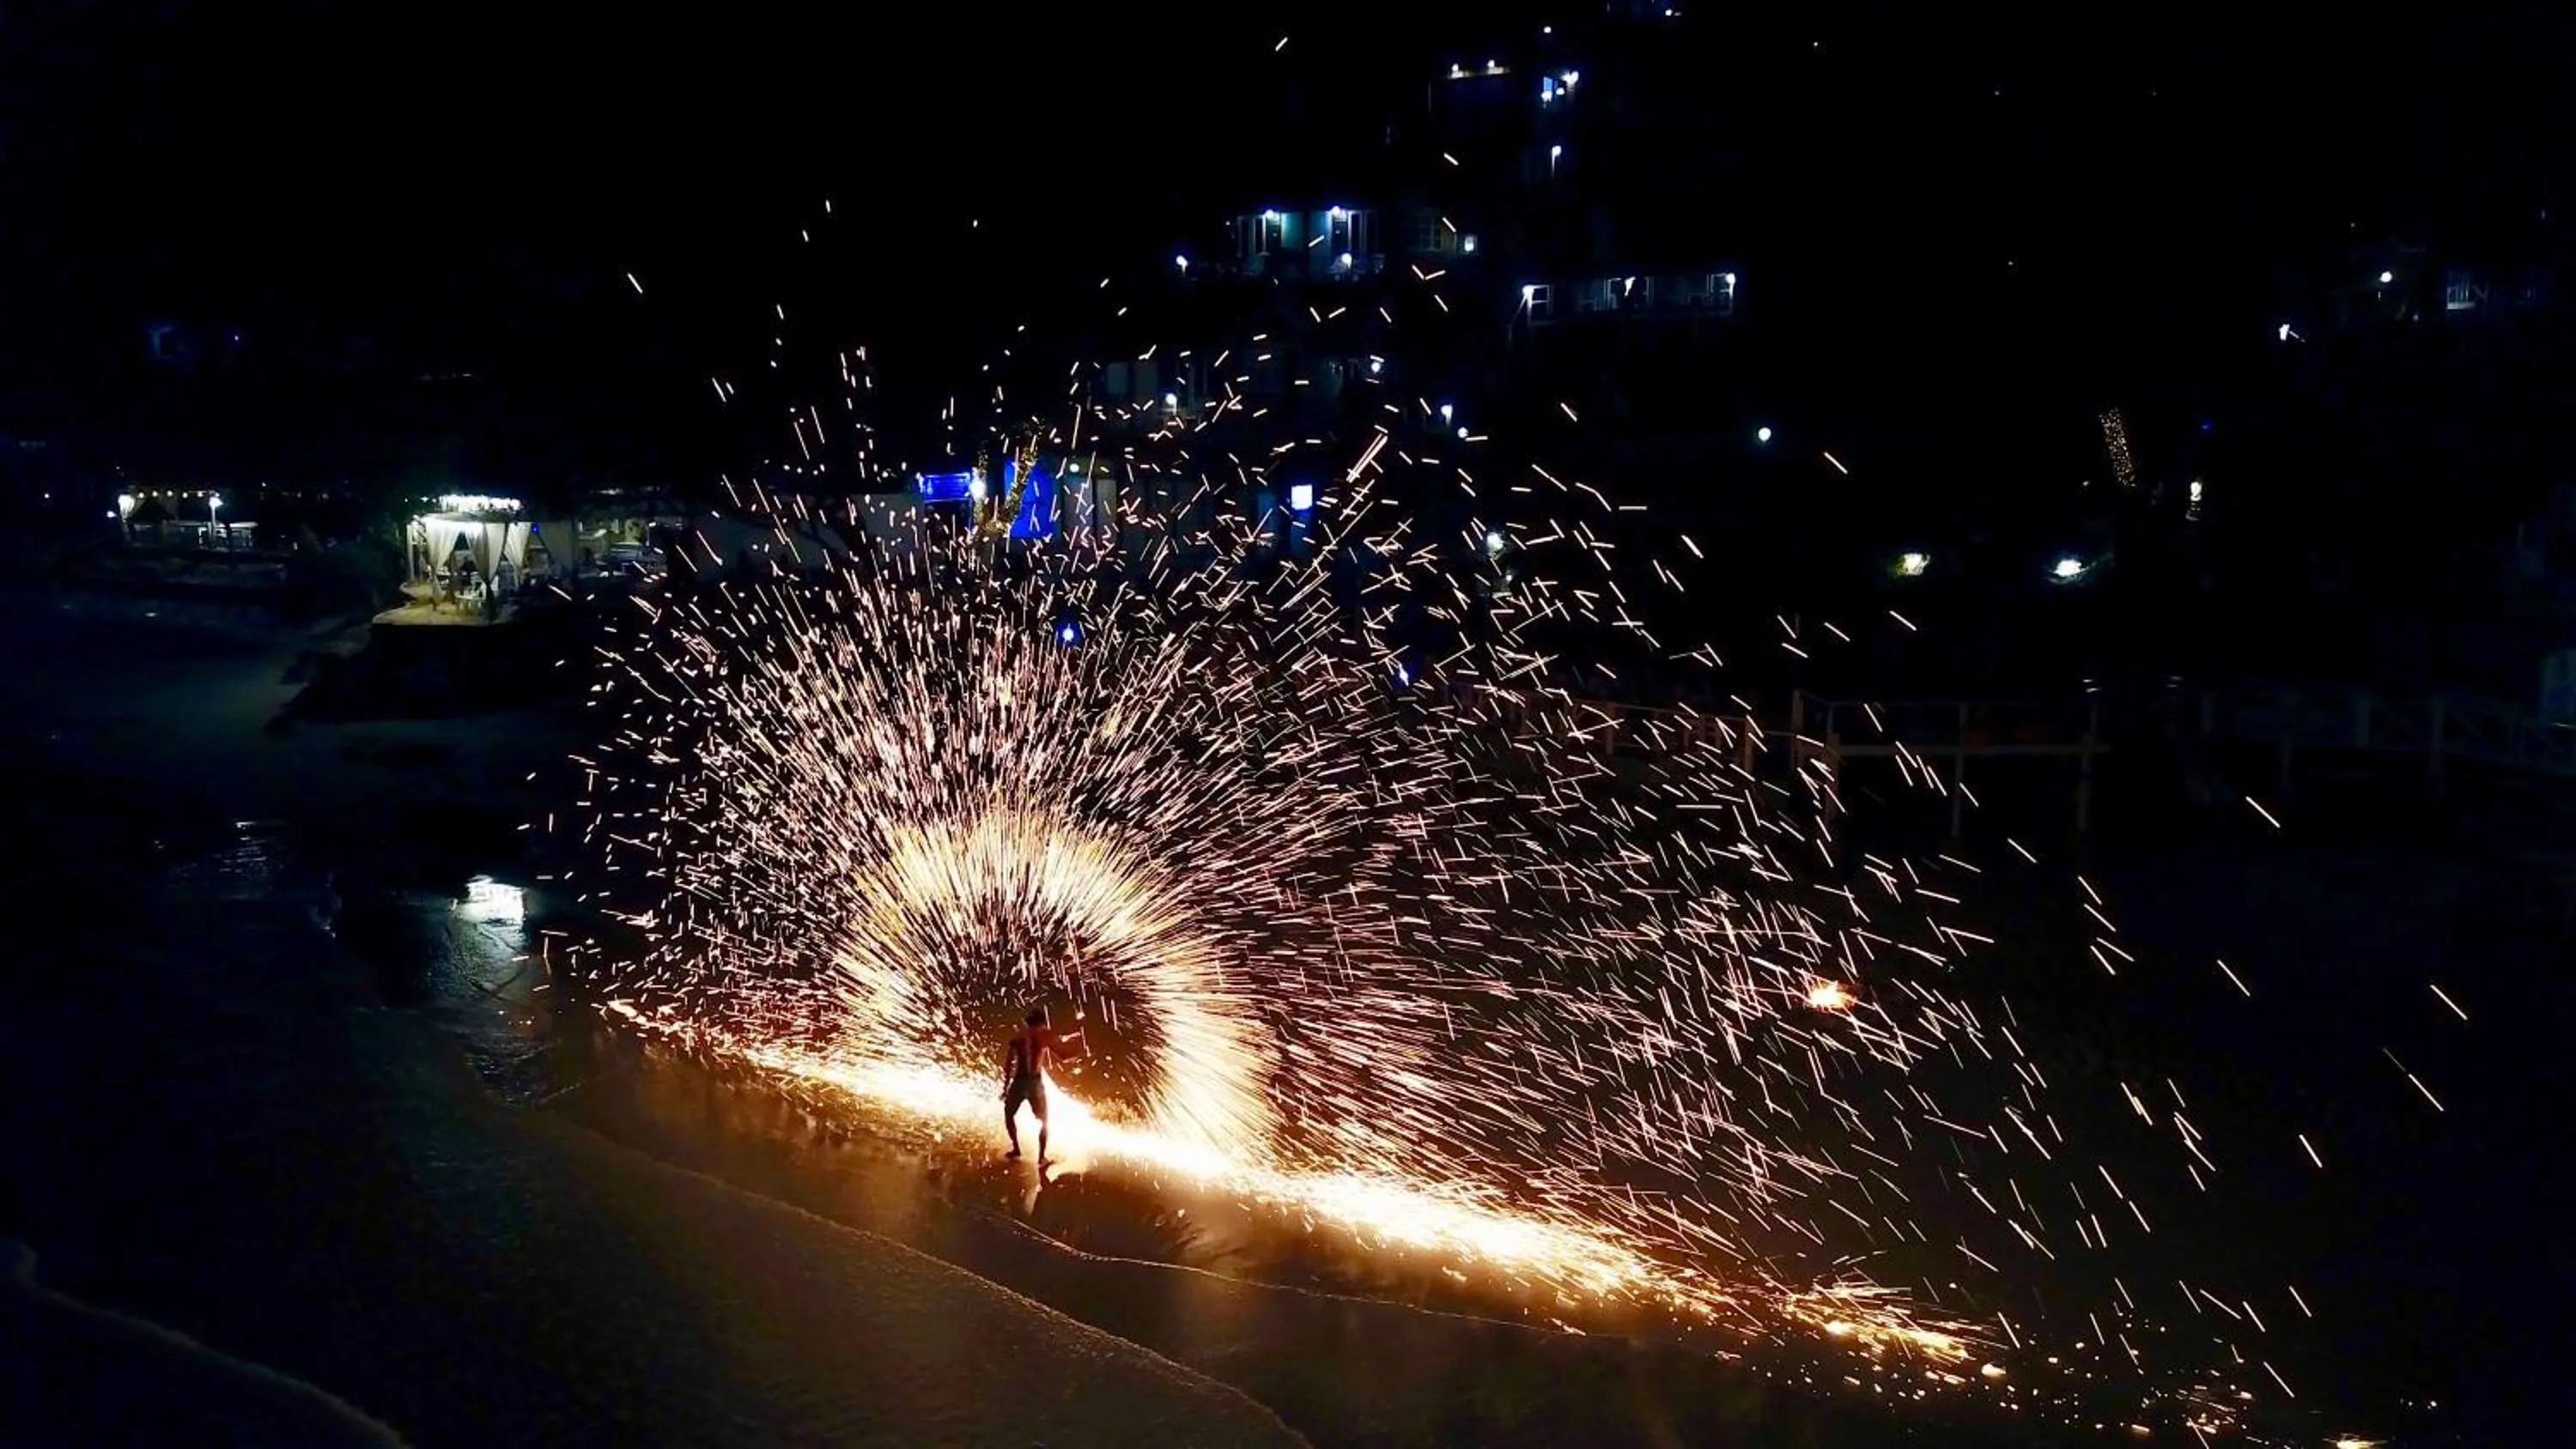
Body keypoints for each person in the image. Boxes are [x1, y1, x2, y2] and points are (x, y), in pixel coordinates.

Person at [1000, 1005, 1059, 1163]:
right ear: (1041, 1022)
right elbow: (1063, 1056)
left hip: (1019, 1082)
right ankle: (1042, 1157)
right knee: (1044, 1120)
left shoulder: (1018, 1038)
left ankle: (1016, 1149)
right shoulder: (1044, 1037)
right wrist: (1078, 1049)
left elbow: (1008, 1064)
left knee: (1009, 1114)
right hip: (1035, 1083)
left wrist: (1005, 1088)